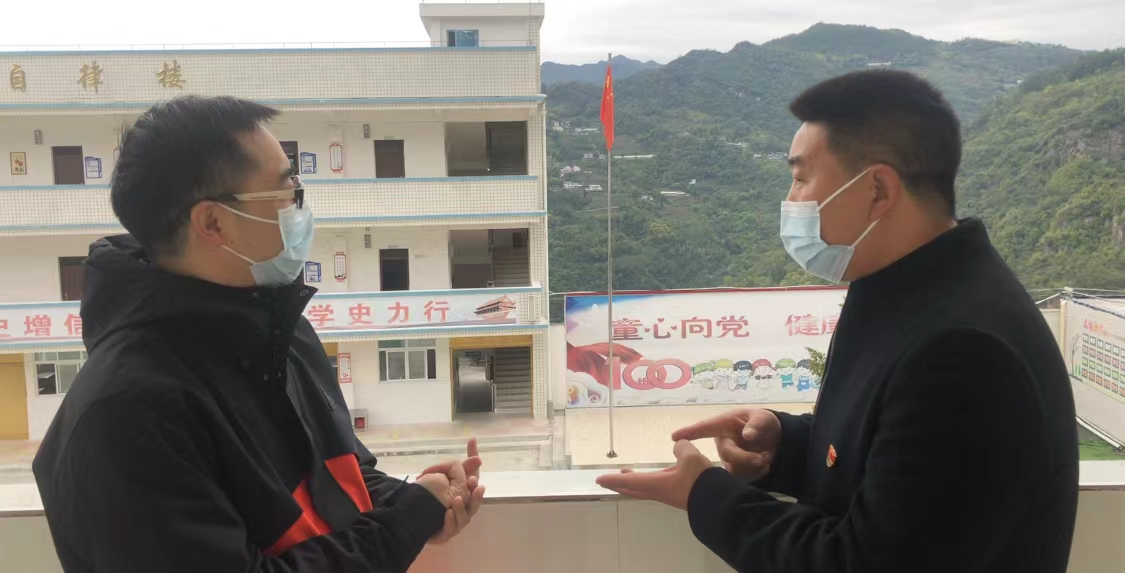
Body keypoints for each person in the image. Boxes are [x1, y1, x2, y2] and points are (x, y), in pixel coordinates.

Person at [597, 70, 1078, 573]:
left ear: (877, 190)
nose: (791, 200)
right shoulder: (903, 287)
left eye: (801, 178)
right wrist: (783, 446)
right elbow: (900, 464)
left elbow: (860, 562)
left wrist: (705, 495)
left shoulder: (962, 351)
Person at [33, 96, 485, 572]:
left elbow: (339, 480)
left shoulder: (283, 336)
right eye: (287, 193)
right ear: (213, 222)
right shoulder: (125, 416)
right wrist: (402, 524)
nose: (299, 209)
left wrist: (414, 502)